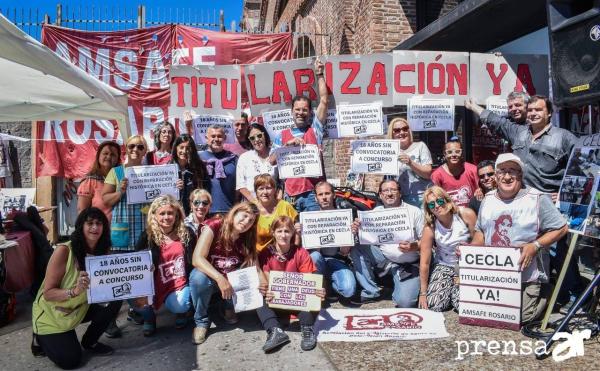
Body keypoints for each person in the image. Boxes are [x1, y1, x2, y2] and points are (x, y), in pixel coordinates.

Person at [466, 94, 581, 308]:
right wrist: (474, 107)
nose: (533, 114)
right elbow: (497, 122)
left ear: (549, 113)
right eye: (530, 111)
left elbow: (581, 165)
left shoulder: (564, 137)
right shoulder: (519, 132)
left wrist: (565, 192)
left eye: (539, 110)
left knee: (558, 250)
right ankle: (538, 290)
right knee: (527, 250)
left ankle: (572, 295)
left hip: (549, 202)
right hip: (521, 200)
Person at [472, 153, 568, 323]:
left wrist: (536, 245)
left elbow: (561, 228)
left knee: (521, 318)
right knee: (492, 313)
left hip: (528, 272)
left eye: (513, 171)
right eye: (502, 171)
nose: (507, 176)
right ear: (496, 176)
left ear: (521, 175)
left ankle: (548, 290)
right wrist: (471, 251)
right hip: (495, 273)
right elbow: (480, 231)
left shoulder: (537, 198)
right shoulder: (487, 199)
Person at [31, 208, 121, 369]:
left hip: (79, 308)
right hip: (53, 315)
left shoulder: (104, 250)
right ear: (81, 226)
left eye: (99, 223)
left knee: (116, 299)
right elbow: (48, 293)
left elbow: (117, 278)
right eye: (90, 223)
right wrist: (74, 291)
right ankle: (39, 337)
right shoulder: (64, 251)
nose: (95, 227)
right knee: (70, 361)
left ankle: (90, 342)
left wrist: (144, 272)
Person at [188, 202, 266, 345]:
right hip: (211, 277)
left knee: (247, 275)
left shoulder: (247, 236)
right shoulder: (215, 225)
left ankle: (227, 307)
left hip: (231, 277)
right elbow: (197, 258)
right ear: (235, 212)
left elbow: (255, 266)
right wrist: (219, 278)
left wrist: (263, 282)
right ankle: (201, 321)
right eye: (244, 216)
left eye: (251, 221)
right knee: (198, 278)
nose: (246, 222)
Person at [101, 135, 151, 335]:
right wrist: (120, 192)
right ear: (126, 148)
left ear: (145, 151)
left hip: (143, 232)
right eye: (132, 146)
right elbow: (106, 200)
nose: (136, 149)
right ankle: (110, 321)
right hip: (121, 235)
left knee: (142, 279)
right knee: (116, 281)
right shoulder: (116, 172)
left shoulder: (150, 172)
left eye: (140, 147)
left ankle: (146, 316)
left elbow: (156, 200)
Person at [350, 179, 423, 307]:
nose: (389, 194)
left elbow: (427, 243)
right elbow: (365, 236)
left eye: (393, 190)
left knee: (405, 303)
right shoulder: (375, 212)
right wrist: (356, 230)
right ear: (380, 195)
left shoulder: (414, 211)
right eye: (385, 191)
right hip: (385, 259)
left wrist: (413, 246)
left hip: (410, 264)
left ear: (400, 193)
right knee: (357, 247)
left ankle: (398, 282)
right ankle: (372, 291)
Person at [257, 216, 325, 352]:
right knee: (258, 296)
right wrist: (266, 290)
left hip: (296, 301)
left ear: (293, 233)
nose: (283, 235)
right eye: (279, 231)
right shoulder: (265, 253)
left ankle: (307, 328)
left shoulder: (301, 252)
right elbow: (266, 278)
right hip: (276, 299)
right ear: (273, 233)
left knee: (312, 296)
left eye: (287, 231)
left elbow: (307, 280)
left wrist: (316, 290)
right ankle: (275, 331)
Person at [269, 59, 328, 213]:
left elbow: (324, 100)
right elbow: (271, 161)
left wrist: (320, 74)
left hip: (313, 194)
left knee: (314, 234)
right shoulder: (281, 136)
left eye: (304, 110)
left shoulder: (315, 130)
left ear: (310, 112)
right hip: (290, 194)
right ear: (292, 112)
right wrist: (287, 146)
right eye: (297, 110)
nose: (300, 113)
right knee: (291, 234)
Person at [134, 195, 197, 336]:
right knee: (132, 295)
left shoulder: (187, 233)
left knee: (180, 305)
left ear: (176, 215)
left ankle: (182, 312)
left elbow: (194, 262)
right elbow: (136, 261)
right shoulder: (147, 236)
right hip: (154, 283)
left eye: (170, 213)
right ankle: (149, 319)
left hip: (180, 283)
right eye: (162, 213)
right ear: (155, 215)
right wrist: (145, 267)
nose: (166, 217)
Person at [418, 186, 476, 311]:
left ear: (447, 200)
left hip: (467, 266)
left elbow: (480, 240)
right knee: (433, 305)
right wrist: (423, 293)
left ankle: (454, 290)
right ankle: (448, 291)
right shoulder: (430, 228)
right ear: (429, 209)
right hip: (444, 265)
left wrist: (470, 248)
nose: (437, 206)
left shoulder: (466, 214)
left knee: (463, 306)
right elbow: (425, 262)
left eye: (439, 201)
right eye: (432, 205)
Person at [307, 181, 356, 301]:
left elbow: (344, 252)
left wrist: (350, 234)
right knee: (314, 256)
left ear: (334, 195)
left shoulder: (344, 217)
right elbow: (312, 252)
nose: (324, 197)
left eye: (327, 193)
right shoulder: (310, 218)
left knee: (348, 291)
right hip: (319, 261)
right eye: (320, 194)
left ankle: (327, 285)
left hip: (337, 260)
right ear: (316, 197)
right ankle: (318, 287)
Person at [385, 117, 433, 206]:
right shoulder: (388, 151)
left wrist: (411, 163)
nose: (402, 132)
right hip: (401, 199)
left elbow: (428, 173)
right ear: (392, 133)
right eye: (397, 130)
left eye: (405, 129)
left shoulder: (420, 146)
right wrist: (356, 153)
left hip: (423, 198)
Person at [199, 125, 238, 215]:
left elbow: (238, 186)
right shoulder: (199, 159)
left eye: (219, 136)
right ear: (206, 138)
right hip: (204, 212)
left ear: (225, 138)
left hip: (229, 211)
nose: (216, 139)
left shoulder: (233, 159)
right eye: (213, 136)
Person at [77, 141, 121, 221]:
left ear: (118, 159)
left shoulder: (122, 179)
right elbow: (82, 211)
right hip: (98, 231)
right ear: (98, 156)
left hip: (121, 230)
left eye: (113, 154)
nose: (108, 157)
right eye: (105, 153)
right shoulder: (90, 181)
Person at [254, 174, 298, 252]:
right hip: (259, 254)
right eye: (261, 189)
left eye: (268, 188)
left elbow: (296, 233)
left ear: (274, 190)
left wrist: (294, 253)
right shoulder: (251, 208)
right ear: (256, 191)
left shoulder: (285, 206)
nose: (265, 192)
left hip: (284, 252)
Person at [237, 124, 278, 203]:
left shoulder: (275, 154)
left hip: (274, 205)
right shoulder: (244, 158)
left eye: (259, 135)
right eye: (252, 138)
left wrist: (278, 203)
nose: (256, 140)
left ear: (265, 135)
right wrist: (257, 204)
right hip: (251, 206)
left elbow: (281, 183)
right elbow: (241, 186)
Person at [431, 139, 479, 207]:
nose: (453, 155)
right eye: (449, 152)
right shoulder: (437, 175)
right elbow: (436, 198)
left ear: (462, 153)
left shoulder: (473, 170)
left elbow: (481, 189)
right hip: (450, 213)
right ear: (444, 154)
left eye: (457, 151)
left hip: (472, 212)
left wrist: (480, 190)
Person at [171, 134, 209, 215]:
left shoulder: (199, 168)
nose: (184, 151)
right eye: (181, 147)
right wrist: (173, 187)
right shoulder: (168, 168)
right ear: (176, 148)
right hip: (174, 213)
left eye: (188, 148)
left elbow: (205, 191)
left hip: (194, 213)